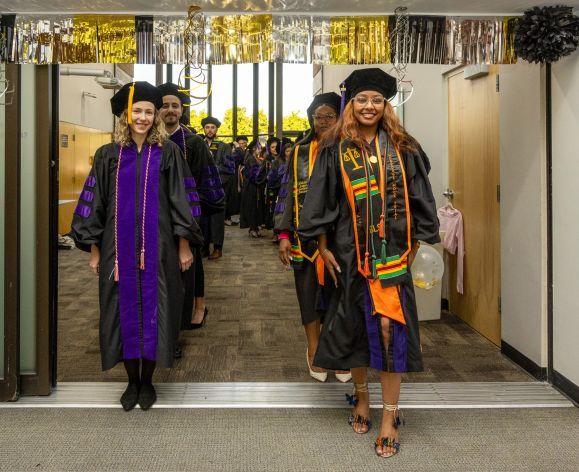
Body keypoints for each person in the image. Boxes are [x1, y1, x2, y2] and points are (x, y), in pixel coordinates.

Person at [297, 69, 440, 458]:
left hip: (392, 256)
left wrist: (412, 248)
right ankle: (361, 397)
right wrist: (322, 244)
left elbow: (420, 196)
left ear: (385, 105)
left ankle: (390, 416)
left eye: (376, 100)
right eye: (362, 100)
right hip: (347, 254)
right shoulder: (333, 147)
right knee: (354, 330)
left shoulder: (403, 145)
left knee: (391, 334)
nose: (369, 107)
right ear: (351, 104)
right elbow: (322, 199)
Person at [70, 81, 203, 411]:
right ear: (125, 115)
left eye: (148, 111)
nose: (142, 117)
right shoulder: (108, 155)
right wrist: (95, 251)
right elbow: (94, 204)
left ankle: (149, 381)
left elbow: (181, 201)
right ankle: (132, 382)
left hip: (159, 249)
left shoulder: (168, 152)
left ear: (156, 115)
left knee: (159, 308)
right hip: (117, 250)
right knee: (119, 311)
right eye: (136, 111)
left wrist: (184, 245)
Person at [275, 93, 351, 383]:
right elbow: (287, 193)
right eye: (318, 117)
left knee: (339, 294)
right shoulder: (300, 151)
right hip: (303, 237)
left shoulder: (349, 148)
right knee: (307, 294)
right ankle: (314, 347)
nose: (322, 122)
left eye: (329, 116)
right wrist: (283, 234)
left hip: (341, 237)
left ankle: (339, 350)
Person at [158, 83, 222, 341]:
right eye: (165, 105)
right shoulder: (152, 140)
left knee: (190, 266)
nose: (170, 110)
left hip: (188, 214)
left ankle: (195, 308)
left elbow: (208, 180)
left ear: (181, 110)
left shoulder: (193, 142)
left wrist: (198, 212)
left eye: (175, 105)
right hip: (157, 215)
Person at [202, 116, 235, 259]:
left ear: (217, 129)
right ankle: (203, 247)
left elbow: (230, 168)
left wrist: (215, 178)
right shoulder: (199, 144)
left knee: (216, 219)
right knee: (203, 219)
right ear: (204, 129)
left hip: (217, 189)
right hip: (201, 188)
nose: (210, 130)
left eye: (212, 127)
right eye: (207, 127)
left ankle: (217, 248)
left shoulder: (224, 146)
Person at [240, 139, 268, 237]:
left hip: (256, 187)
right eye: (258, 148)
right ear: (253, 149)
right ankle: (252, 228)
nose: (260, 150)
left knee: (257, 207)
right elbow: (253, 175)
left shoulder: (257, 158)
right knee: (252, 207)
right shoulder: (251, 159)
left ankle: (255, 227)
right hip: (251, 187)